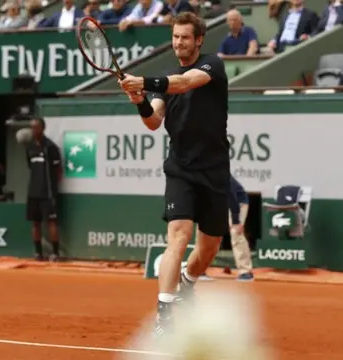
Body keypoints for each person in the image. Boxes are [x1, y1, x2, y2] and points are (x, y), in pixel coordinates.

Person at [118, 12, 229, 336]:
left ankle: (188, 282)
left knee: (208, 248)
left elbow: (184, 83)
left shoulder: (213, 65)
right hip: (180, 169)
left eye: (185, 37)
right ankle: (165, 315)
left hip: (215, 170)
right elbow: (153, 121)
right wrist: (139, 101)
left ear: (198, 40)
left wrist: (144, 82)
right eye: (175, 36)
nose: (179, 42)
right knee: (178, 236)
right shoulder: (165, 77)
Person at [25, 117, 63, 262]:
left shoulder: (50, 147)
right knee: (35, 222)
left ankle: (55, 253)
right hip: (33, 192)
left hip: (47, 192)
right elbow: (30, 166)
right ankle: (38, 253)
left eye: (35, 127)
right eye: (31, 127)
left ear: (42, 128)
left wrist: (52, 188)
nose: (33, 130)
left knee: (51, 222)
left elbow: (58, 170)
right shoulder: (30, 148)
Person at [229, 175, 254, 281]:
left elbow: (231, 196)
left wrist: (236, 221)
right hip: (220, 202)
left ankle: (245, 272)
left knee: (236, 233)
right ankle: (199, 270)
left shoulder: (219, 172)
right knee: (205, 230)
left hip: (237, 202)